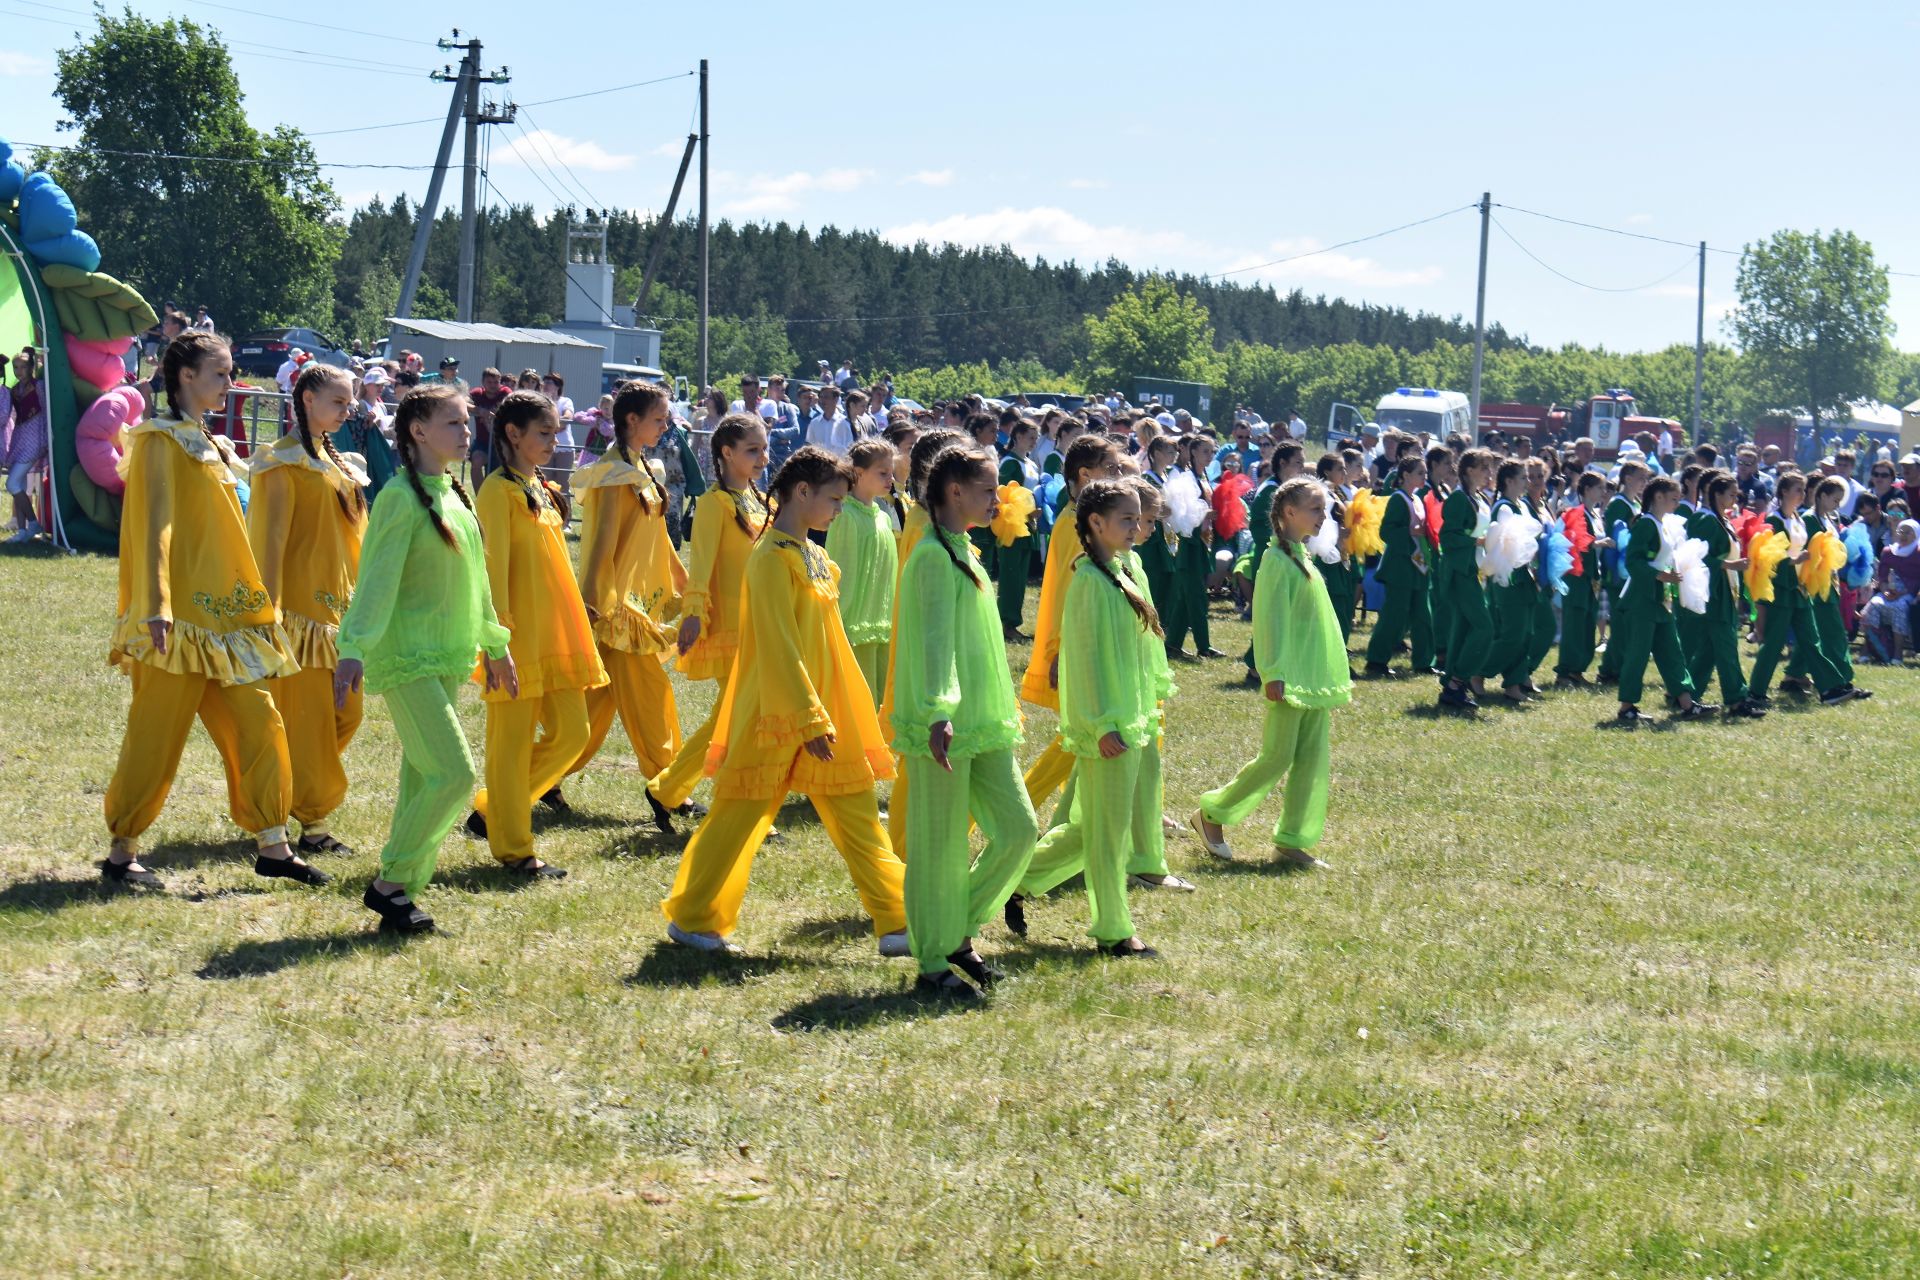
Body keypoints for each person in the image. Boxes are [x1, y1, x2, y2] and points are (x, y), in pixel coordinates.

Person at [660, 446, 909, 956]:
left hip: (826, 712)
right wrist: (806, 717)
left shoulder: (814, 557)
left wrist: (832, 710)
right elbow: (777, 645)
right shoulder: (770, 560)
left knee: (858, 815)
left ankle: (899, 919)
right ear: (801, 493)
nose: (840, 509)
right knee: (739, 815)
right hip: (773, 711)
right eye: (834, 500)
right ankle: (693, 916)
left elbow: (827, 643)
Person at [101, 332, 321, 891]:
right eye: (221, 374)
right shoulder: (157, 440)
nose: (231, 384)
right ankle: (122, 850)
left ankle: (273, 842)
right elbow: (155, 524)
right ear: (186, 377)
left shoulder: (210, 442)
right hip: (175, 623)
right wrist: (156, 605)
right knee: (156, 734)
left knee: (261, 721)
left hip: (226, 620)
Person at [337, 385, 515, 932]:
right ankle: (390, 880)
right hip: (406, 658)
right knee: (455, 774)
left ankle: (402, 893)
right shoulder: (397, 497)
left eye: (466, 424)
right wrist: (353, 648)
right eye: (455, 424)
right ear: (419, 432)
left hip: (446, 656)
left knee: (422, 779)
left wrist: (496, 645)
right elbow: (376, 580)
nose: (467, 433)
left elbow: (478, 581)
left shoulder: (456, 496)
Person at [892, 445, 1039, 999]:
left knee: (1020, 831)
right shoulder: (931, 554)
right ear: (954, 491)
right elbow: (932, 642)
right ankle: (932, 962)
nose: (996, 498)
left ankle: (955, 930)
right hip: (944, 725)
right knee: (939, 846)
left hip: (982, 721)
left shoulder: (961, 548)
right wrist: (937, 711)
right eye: (986, 488)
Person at [1019, 478, 1170, 957]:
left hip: (1129, 717)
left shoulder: (1120, 570)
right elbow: (1084, 661)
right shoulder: (1087, 580)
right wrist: (1102, 724)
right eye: (1125, 519)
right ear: (1095, 524)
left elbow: (1133, 652)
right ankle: (1114, 930)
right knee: (1108, 839)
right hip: (1109, 725)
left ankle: (1011, 881)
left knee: (1094, 831)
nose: (1135, 525)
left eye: (1138, 518)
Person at [464, 392, 607, 877]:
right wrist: (497, 639)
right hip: (517, 637)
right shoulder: (496, 491)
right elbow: (492, 568)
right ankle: (514, 848)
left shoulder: (540, 487)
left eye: (555, 431)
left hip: (557, 633)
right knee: (511, 744)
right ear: (512, 434)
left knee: (573, 733)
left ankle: (494, 806)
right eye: (543, 432)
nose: (553, 440)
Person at [1192, 474, 1353, 868]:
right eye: (1315, 509)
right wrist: (1273, 672)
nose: (1322, 516)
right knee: (1276, 756)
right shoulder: (1276, 559)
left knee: (1312, 760)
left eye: (1325, 509)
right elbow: (1270, 620)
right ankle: (1212, 814)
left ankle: (1292, 840)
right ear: (1288, 512)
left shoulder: (1301, 555)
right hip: (1289, 675)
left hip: (1312, 676)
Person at [249, 363, 369, 858]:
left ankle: (291, 789)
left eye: (350, 402)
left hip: (339, 616)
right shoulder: (282, 461)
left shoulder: (335, 460)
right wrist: (270, 613)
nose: (348, 410)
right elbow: (270, 540)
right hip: (297, 616)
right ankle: (313, 825)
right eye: (338, 402)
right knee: (312, 722)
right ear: (307, 400)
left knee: (346, 716)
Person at [563, 382, 688, 824]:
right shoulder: (614, 473)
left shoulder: (644, 466)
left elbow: (655, 533)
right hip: (615, 608)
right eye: (658, 418)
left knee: (595, 706)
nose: (665, 424)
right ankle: (667, 786)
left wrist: (679, 578)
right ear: (631, 420)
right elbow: (601, 542)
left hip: (632, 601)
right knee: (651, 695)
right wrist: (595, 603)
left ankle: (539, 778)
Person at [646, 415, 770, 824]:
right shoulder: (716, 504)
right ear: (726, 453)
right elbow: (700, 567)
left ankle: (667, 789)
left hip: (758, 625)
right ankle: (733, 807)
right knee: (736, 717)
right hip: (728, 628)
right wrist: (694, 614)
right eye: (752, 449)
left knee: (733, 718)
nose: (762, 457)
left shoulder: (757, 499)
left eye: (764, 448)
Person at [1018, 433, 1122, 810]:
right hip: (1075, 648)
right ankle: (1023, 805)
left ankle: (1079, 818)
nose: (1117, 475)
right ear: (1085, 473)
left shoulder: (1086, 519)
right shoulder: (1073, 523)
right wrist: (1060, 649)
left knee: (1084, 742)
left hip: (1088, 644)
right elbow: (1067, 591)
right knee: (1077, 738)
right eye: (1110, 469)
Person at [1612, 476, 1716, 725]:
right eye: (1673, 497)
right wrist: (1661, 575)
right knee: (1637, 654)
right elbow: (1633, 562)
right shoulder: (1646, 525)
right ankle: (1627, 706)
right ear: (1658, 497)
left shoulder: (1663, 525)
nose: (1677, 502)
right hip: (1641, 600)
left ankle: (1688, 704)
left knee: (1672, 651)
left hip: (1660, 600)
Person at [826, 438, 900, 704]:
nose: (890, 478)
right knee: (858, 700)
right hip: (854, 626)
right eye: (882, 473)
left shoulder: (881, 515)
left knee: (881, 701)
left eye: (891, 472)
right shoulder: (845, 516)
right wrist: (837, 623)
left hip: (881, 623)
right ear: (858, 473)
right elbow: (839, 571)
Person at [1687, 470, 1765, 716]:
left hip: (1726, 590)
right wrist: (1729, 565)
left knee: (1710, 649)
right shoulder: (1705, 520)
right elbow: (1695, 555)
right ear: (1717, 494)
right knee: (1727, 646)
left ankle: (1686, 695)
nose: (1735, 498)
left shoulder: (1723, 520)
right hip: (1713, 592)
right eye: (1731, 494)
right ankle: (1736, 699)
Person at [1363, 455, 1433, 678]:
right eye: (1420, 473)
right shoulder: (1397, 499)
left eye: (1425, 473)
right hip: (1400, 567)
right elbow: (1386, 532)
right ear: (1405, 475)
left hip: (1418, 567)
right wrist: (1409, 533)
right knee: (1394, 615)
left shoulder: (1418, 499)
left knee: (1423, 615)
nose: (1424, 477)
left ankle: (1423, 661)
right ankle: (1376, 660)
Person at [1438, 448, 1497, 710]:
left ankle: (1452, 688)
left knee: (1462, 629)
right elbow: (1447, 537)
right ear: (1469, 470)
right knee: (1484, 628)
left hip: (1475, 569)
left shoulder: (1479, 497)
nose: (1489, 473)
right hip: (1461, 572)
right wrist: (1478, 541)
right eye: (1484, 468)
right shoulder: (1458, 499)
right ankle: (1460, 679)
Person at [1481, 459, 1540, 705]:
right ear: (1509, 481)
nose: (1528, 482)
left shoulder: (1521, 505)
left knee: (1525, 633)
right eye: (1523, 477)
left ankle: (1514, 683)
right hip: (1508, 580)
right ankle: (1477, 671)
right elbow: (1499, 546)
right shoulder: (1503, 507)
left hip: (1524, 578)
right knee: (1512, 634)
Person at [1595, 459, 1652, 685]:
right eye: (1640, 478)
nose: (1643, 483)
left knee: (1626, 625)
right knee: (1620, 626)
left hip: (1629, 573)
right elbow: (1617, 539)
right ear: (1627, 478)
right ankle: (1610, 670)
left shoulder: (1634, 503)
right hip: (1617, 574)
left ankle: (1613, 667)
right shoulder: (1619, 504)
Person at [1167, 434, 1223, 659]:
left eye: (1212, 452)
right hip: (1188, 545)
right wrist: (1204, 514)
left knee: (1184, 598)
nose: (1210, 456)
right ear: (1193, 452)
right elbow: (1181, 514)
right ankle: (1204, 646)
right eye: (1205, 451)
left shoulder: (1204, 477)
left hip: (1201, 542)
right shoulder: (1185, 478)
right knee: (1197, 597)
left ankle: (1172, 644)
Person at [1554, 472, 1610, 686]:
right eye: (1598, 488)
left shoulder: (1594, 514)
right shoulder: (1575, 513)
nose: (1602, 492)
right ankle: (1564, 671)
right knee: (1574, 623)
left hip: (1592, 577)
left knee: (1588, 622)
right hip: (1577, 576)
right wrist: (1599, 543)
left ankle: (1578, 669)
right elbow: (1574, 541)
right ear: (1586, 489)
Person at [995, 418, 1043, 638]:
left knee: (1020, 576)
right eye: (1031, 437)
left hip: (1028, 525)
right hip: (1011, 526)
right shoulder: (1009, 463)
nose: (1034, 441)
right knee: (1010, 575)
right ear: (1018, 436)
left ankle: (1013, 621)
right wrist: (1026, 511)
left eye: (1036, 437)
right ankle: (1006, 623)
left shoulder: (1031, 463)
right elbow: (1005, 497)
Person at [1862, 518, 1920, 663]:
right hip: (1888, 592)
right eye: (1901, 531)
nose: (1903, 535)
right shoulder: (1889, 551)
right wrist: (1886, 590)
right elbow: (1882, 577)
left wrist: (1902, 593)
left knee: (1900, 607)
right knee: (1874, 604)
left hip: (1909, 594)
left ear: (1916, 535)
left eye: (1908, 532)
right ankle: (1867, 649)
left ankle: (1897, 653)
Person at [5, 348, 46, 541]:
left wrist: (47, 437)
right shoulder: (14, 390)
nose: (19, 371)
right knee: (18, 484)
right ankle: (22, 531)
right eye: (15, 367)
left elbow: (46, 411)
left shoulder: (39, 386)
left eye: (22, 367)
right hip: (19, 438)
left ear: (31, 368)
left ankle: (34, 522)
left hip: (35, 438)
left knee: (11, 483)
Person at [807, 383, 851, 456]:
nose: (822, 400)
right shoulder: (814, 423)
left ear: (836, 399)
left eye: (826, 397)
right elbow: (809, 446)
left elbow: (850, 448)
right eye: (821, 397)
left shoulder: (844, 423)